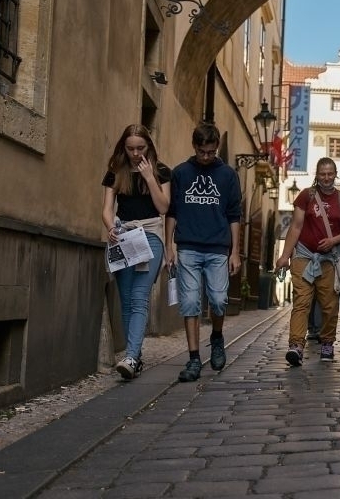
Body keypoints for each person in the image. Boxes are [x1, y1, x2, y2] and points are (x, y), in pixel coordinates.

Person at [165, 123, 242, 383]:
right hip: (188, 247)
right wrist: (168, 246)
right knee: (189, 303)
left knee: (219, 300)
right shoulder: (181, 173)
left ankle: (217, 338)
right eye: (202, 152)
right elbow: (172, 212)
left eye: (211, 152)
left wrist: (235, 252)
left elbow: (234, 215)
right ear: (194, 147)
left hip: (218, 248)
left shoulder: (228, 175)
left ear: (216, 147)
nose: (206, 157)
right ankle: (194, 358)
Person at [102, 125, 171, 380]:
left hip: (150, 236)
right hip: (123, 236)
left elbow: (163, 207)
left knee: (140, 296)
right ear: (124, 147)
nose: (135, 153)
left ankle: (130, 356)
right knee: (126, 298)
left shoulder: (161, 171)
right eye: (130, 148)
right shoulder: (115, 172)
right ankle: (135, 357)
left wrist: (150, 177)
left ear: (148, 146)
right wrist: (110, 227)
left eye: (140, 148)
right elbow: (107, 209)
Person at [276, 157, 340, 366]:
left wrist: (333, 241)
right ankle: (296, 345)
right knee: (301, 302)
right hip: (304, 255)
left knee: (329, 305)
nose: (326, 178)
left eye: (330, 174)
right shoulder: (306, 196)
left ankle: (327, 342)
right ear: (317, 175)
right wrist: (285, 256)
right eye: (322, 174)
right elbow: (296, 226)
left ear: (335, 174)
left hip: (329, 260)